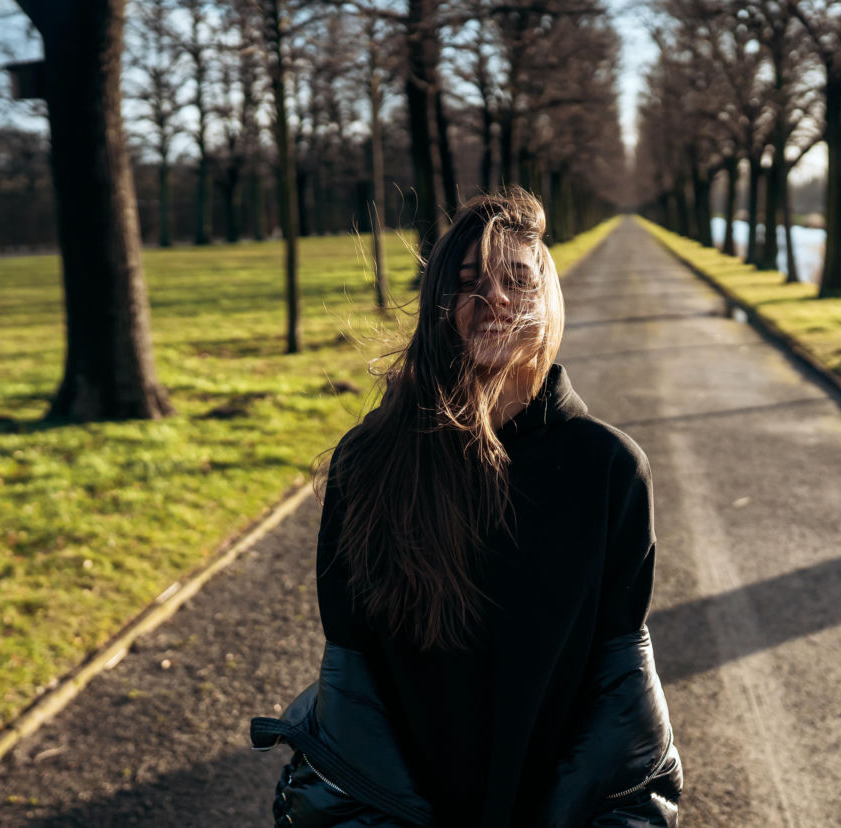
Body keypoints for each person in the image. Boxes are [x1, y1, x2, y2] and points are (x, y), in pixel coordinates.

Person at [251, 190, 682, 828]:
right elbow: (351, 674)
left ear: (548, 297)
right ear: (440, 305)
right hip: (400, 811)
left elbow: (620, 684)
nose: (495, 299)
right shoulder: (369, 461)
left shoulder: (610, 468)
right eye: (468, 282)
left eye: (518, 279)